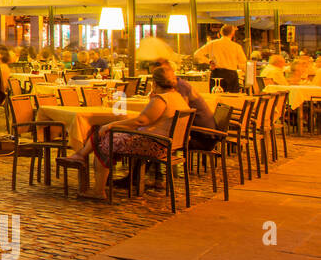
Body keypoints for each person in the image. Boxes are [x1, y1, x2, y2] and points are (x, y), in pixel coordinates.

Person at [62, 63, 191, 199]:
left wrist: (111, 125)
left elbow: (142, 121)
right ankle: (81, 155)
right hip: (168, 144)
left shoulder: (161, 99)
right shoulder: (177, 97)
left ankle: (98, 190)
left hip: (154, 144)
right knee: (103, 132)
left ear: (154, 82)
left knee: (105, 139)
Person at [193, 24, 248, 93]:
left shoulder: (212, 44)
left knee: (216, 98)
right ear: (232, 33)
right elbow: (243, 62)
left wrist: (209, 61)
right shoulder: (236, 47)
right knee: (232, 99)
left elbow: (197, 54)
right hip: (231, 75)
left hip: (217, 73)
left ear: (221, 33)